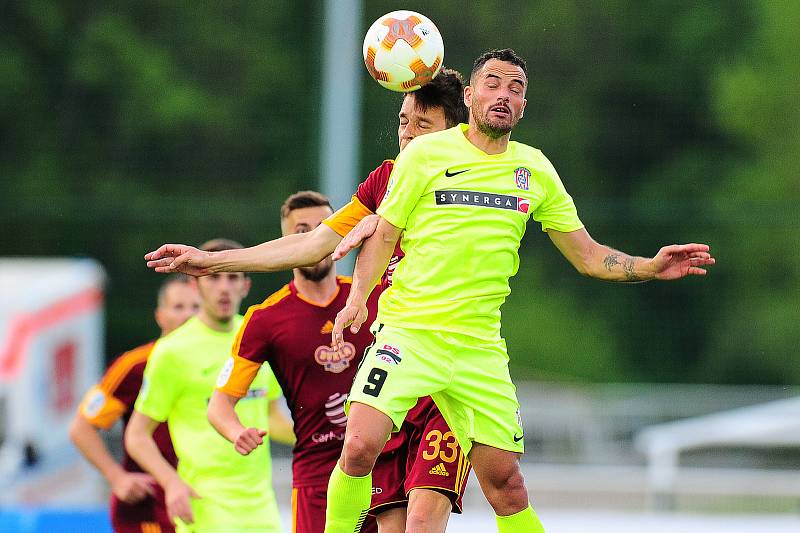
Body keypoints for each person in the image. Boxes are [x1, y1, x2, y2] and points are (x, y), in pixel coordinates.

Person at [327, 48, 717, 533]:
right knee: (360, 445)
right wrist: (357, 299)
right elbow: (383, 234)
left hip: (478, 350)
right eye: (493, 83)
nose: (504, 95)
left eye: (515, 89)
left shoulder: (533, 170)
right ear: (469, 96)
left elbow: (589, 255)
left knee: (506, 485)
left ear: (523, 108)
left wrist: (650, 267)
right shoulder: (425, 155)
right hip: (409, 334)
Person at [144, 70, 472, 533]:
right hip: (387, 401)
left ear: (453, 132)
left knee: (488, 491)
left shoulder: (477, 183)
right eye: (402, 120)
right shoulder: (386, 181)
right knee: (376, 482)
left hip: (450, 374)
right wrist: (213, 261)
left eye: (422, 124)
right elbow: (317, 243)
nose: (407, 133)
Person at [208, 191, 381, 533]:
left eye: (324, 227)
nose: (315, 238)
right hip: (318, 476)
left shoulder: (374, 295)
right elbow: (220, 405)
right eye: (302, 231)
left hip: (383, 464)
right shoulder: (266, 319)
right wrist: (237, 432)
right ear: (285, 242)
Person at [125, 239, 293, 533]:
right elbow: (137, 436)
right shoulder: (172, 351)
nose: (224, 287)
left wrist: (331, 437)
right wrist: (171, 483)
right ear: (196, 286)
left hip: (261, 507)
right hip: (204, 505)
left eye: (232, 277)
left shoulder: (258, 337)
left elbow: (270, 418)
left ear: (246, 286)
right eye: (214, 277)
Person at [70, 274, 199, 533]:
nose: (188, 315)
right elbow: (81, 428)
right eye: (178, 307)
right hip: (147, 507)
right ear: (160, 316)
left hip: (200, 501)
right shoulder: (135, 365)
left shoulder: (219, 362)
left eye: (196, 307)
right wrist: (117, 477)